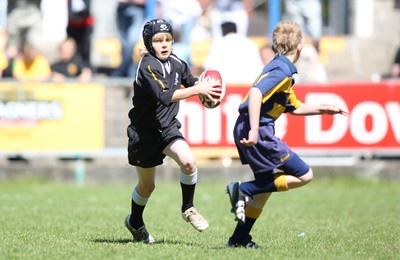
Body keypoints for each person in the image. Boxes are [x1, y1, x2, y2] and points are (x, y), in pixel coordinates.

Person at [225, 20, 349, 249]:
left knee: (265, 187)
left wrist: (326, 109)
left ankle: (238, 239)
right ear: (300, 47)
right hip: (258, 130)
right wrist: (254, 129)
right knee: (305, 175)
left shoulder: (280, 68)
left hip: (248, 127)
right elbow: (254, 94)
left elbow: (295, 107)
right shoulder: (282, 70)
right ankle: (243, 189)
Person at [124, 19, 222, 244]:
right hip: (144, 133)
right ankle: (135, 222)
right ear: (149, 44)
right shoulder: (147, 64)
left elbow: (194, 83)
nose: (164, 44)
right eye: (158, 40)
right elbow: (165, 96)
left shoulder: (178, 63)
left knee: (189, 162)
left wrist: (209, 96)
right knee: (147, 186)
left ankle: (188, 208)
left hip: (167, 129)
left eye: (168, 39)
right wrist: (199, 89)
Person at [111, 0, 146, 78]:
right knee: (124, 43)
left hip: (137, 8)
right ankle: (128, 72)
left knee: (131, 42)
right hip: (122, 8)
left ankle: (122, 72)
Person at [67, 0, 93, 68]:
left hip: (85, 25)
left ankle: (86, 68)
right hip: (72, 25)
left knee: (85, 49)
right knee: (72, 50)